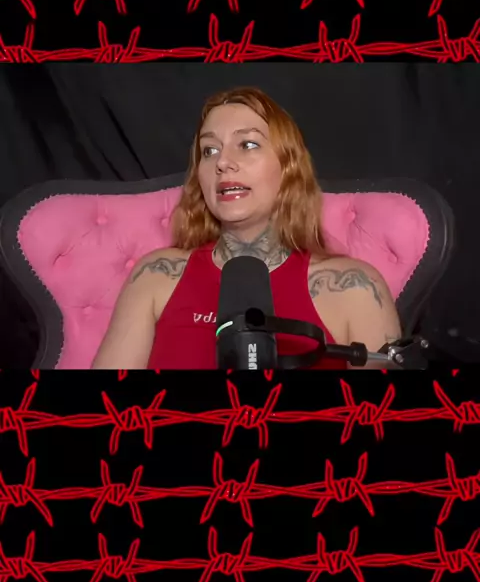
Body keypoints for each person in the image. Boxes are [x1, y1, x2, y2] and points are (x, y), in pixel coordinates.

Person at [92, 87, 401, 370]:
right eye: (209, 150)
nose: (223, 162)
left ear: (288, 167)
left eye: (248, 144)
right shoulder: (155, 276)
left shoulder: (355, 288)